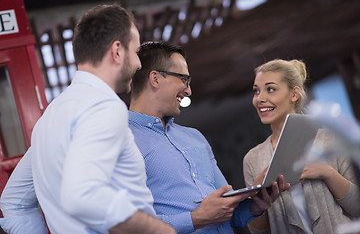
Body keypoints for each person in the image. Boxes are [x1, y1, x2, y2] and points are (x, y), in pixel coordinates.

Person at [0, 4, 175, 234]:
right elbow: (82, 194)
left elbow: (14, 201)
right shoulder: (104, 107)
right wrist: (160, 230)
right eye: (135, 53)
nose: (139, 63)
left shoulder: (50, 117)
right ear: (117, 51)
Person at [128, 41, 290, 234]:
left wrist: (255, 204)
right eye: (183, 80)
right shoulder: (122, 143)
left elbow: (229, 214)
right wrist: (196, 218)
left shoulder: (195, 138)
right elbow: (128, 225)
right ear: (155, 79)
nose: (188, 91)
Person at [243, 59, 360, 234]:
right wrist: (256, 200)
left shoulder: (330, 140)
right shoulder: (252, 159)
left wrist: (326, 172)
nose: (260, 98)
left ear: (294, 94)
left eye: (270, 89)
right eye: (256, 91)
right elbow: (258, 232)